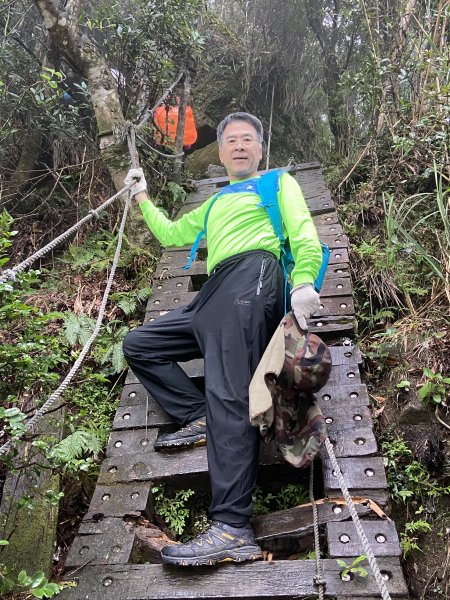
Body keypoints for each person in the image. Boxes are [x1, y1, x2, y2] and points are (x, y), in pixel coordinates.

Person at [123, 112, 322, 566]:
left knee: (229, 388)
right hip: (212, 294)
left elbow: (303, 230)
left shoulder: (276, 183)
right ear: (220, 151)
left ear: (259, 150)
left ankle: (232, 525)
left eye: (246, 140)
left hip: (254, 275)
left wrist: (305, 280)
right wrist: (141, 196)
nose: (237, 146)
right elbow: (172, 234)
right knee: (140, 345)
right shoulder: (213, 203)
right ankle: (197, 415)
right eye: (230, 140)